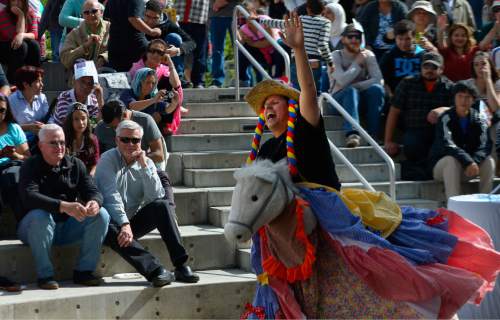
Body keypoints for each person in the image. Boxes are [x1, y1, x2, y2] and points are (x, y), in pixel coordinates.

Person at [94, 120, 199, 287]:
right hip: (107, 223)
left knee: (162, 206)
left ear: (140, 142)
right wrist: (124, 223)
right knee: (107, 222)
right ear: (116, 141)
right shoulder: (108, 159)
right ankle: (155, 270)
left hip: (128, 224)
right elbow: (110, 196)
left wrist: (144, 166)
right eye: (125, 140)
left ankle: (180, 265)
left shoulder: (147, 162)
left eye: (135, 140)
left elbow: (155, 196)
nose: (130, 144)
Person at [245, 12, 341, 190]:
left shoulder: (306, 130)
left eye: (274, 103)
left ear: (291, 107)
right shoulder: (266, 149)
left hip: (325, 205)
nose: (268, 108)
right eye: (265, 106)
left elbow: (309, 91)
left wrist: (298, 49)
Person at [17, 124, 110, 289]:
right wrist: (62, 206)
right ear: (41, 145)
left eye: (61, 142)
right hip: (34, 228)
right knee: (40, 216)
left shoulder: (76, 165)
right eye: (53, 143)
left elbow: (93, 191)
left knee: (101, 214)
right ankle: (45, 276)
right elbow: (29, 197)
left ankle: (84, 271)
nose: (59, 147)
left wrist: (94, 202)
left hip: (66, 228)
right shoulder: (30, 166)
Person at [384, 51, 454, 173]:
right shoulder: (407, 83)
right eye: (426, 66)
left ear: (441, 69)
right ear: (420, 67)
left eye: (434, 67)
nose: (429, 70)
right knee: (412, 145)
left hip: (439, 132)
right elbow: (394, 111)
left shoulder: (449, 87)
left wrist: (443, 110)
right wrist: (388, 141)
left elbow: (458, 109)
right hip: (414, 131)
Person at [428, 81, 495, 198]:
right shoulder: (445, 118)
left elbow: (485, 145)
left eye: (468, 97)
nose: (463, 100)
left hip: (470, 167)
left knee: (489, 161)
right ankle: (454, 206)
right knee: (450, 160)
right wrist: (468, 161)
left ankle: (485, 200)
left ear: (473, 100)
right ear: (454, 98)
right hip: (443, 168)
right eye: (460, 96)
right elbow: (447, 144)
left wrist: (474, 162)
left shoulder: (479, 119)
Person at [258, 0, 334, 93]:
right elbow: (322, 44)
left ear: (308, 9)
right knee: (313, 93)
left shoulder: (299, 20)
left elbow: (279, 23)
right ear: (322, 10)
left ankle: (295, 107)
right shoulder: (325, 23)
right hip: (314, 61)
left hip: (297, 60)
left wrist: (259, 20)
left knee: (296, 92)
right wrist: (330, 62)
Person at [329, 23, 384, 148]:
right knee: (350, 91)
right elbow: (342, 81)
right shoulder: (335, 56)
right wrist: (358, 63)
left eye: (357, 36)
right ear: (343, 39)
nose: (354, 40)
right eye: (350, 36)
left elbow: (378, 80)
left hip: (358, 98)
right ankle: (352, 134)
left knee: (376, 90)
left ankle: (373, 135)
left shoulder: (368, 55)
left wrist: (356, 86)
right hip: (337, 101)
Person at [129, 39, 186, 134]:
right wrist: (153, 100)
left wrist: (170, 63)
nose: (155, 54)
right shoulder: (138, 68)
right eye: (152, 51)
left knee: (172, 88)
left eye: (160, 52)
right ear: (147, 52)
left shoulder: (163, 68)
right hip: (141, 100)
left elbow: (176, 85)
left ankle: (165, 122)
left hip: (157, 101)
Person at [94, 100, 165, 165]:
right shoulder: (102, 127)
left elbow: (159, 155)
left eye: (117, 126)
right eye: (111, 128)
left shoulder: (145, 121)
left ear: (125, 115)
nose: (116, 130)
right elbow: (95, 157)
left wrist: (135, 158)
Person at [142, 0, 196, 80]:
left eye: (155, 18)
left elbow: (191, 43)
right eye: (148, 16)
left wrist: (178, 50)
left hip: (163, 59)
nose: (150, 21)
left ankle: (178, 76)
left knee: (174, 37)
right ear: (143, 13)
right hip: (142, 58)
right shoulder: (136, 21)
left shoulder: (168, 24)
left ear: (160, 16)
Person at [237, 0, 284, 86]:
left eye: (245, 13)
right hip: (263, 53)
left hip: (276, 51)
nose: (242, 17)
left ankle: (278, 79)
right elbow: (241, 42)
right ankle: (242, 79)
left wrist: (253, 43)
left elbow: (271, 41)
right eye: (240, 15)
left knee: (281, 47)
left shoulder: (264, 20)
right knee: (244, 49)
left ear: (253, 12)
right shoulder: (243, 28)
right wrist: (236, 29)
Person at [104, 0, 160, 72]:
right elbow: (133, 18)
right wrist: (151, 32)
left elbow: (107, 17)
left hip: (114, 46)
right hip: (135, 47)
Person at [120, 67, 180, 133]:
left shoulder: (153, 96)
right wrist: (153, 100)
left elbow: (167, 109)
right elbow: (132, 107)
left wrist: (174, 103)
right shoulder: (127, 93)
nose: (151, 86)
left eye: (153, 83)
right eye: (148, 82)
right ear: (139, 82)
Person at [379, 19, 427, 98]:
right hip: (395, 96)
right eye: (400, 39)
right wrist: (390, 95)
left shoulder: (422, 55)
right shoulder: (389, 56)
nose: (404, 43)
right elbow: (382, 79)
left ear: (414, 38)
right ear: (395, 38)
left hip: (418, 96)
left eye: (408, 39)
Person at [0, 93, 30, 217]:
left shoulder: (14, 129)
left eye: (2, 110)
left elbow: (28, 158)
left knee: (13, 175)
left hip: (11, 167)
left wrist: (16, 155)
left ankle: (24, 222)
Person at [49, 60, 103, 126]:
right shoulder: (64, 98)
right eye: (82, 82)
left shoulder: (93, 99)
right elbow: (70, 127)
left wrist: (100, 101)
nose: (85, 86)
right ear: (74, 82)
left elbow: (99, 123)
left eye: (89, 83)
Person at [60, 0, 109, 71]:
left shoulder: (110, 28)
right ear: (82, 15)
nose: (91, 15)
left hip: (106, 75)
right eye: (86, 12)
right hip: (82, 79)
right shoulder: (75, 33)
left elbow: (119, 49)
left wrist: (103, 58)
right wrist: (85, 46)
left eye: (94, 11)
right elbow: (65, 59)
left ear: (101, 12)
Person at [0, 0, 41, 81]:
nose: (17, 3)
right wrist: (21, 16)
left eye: (20, 1)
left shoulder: (31, 12)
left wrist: (22, 35)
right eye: (14, 0)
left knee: (34, 45)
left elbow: (34, 34)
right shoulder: (3, 14)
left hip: (18, 48)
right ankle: (12, 81)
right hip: (4, 48)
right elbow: (15, 37)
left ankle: (33, 79)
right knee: (21, 46)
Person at [8, 66, 48, 146]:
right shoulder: (11, 101)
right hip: (20, 141)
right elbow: (7, 128)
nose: (42, 84)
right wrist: (29, 127)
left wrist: (45, 127)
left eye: (41, 81)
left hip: (42, 137)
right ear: (25, 84)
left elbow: (49, 118)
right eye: (38, 81)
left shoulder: (42, 97)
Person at [174, 0, 210, 88]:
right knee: (179, 50)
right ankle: (178, 79)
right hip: (180, 16)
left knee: (200, 53)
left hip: (200, 18)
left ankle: (198, 81)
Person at [208, 0, 240, 88]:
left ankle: (242, 78)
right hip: (215, 16)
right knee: (217, 50)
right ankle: (217, 80)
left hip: (235, 15)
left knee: (239, 49)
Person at [63, 102, 99, 175]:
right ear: (70, 121)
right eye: (76, 119)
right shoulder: (63, 140)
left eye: (83, 118)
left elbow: (95, 163)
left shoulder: (92, 140)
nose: (81, 123)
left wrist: (90, 176)